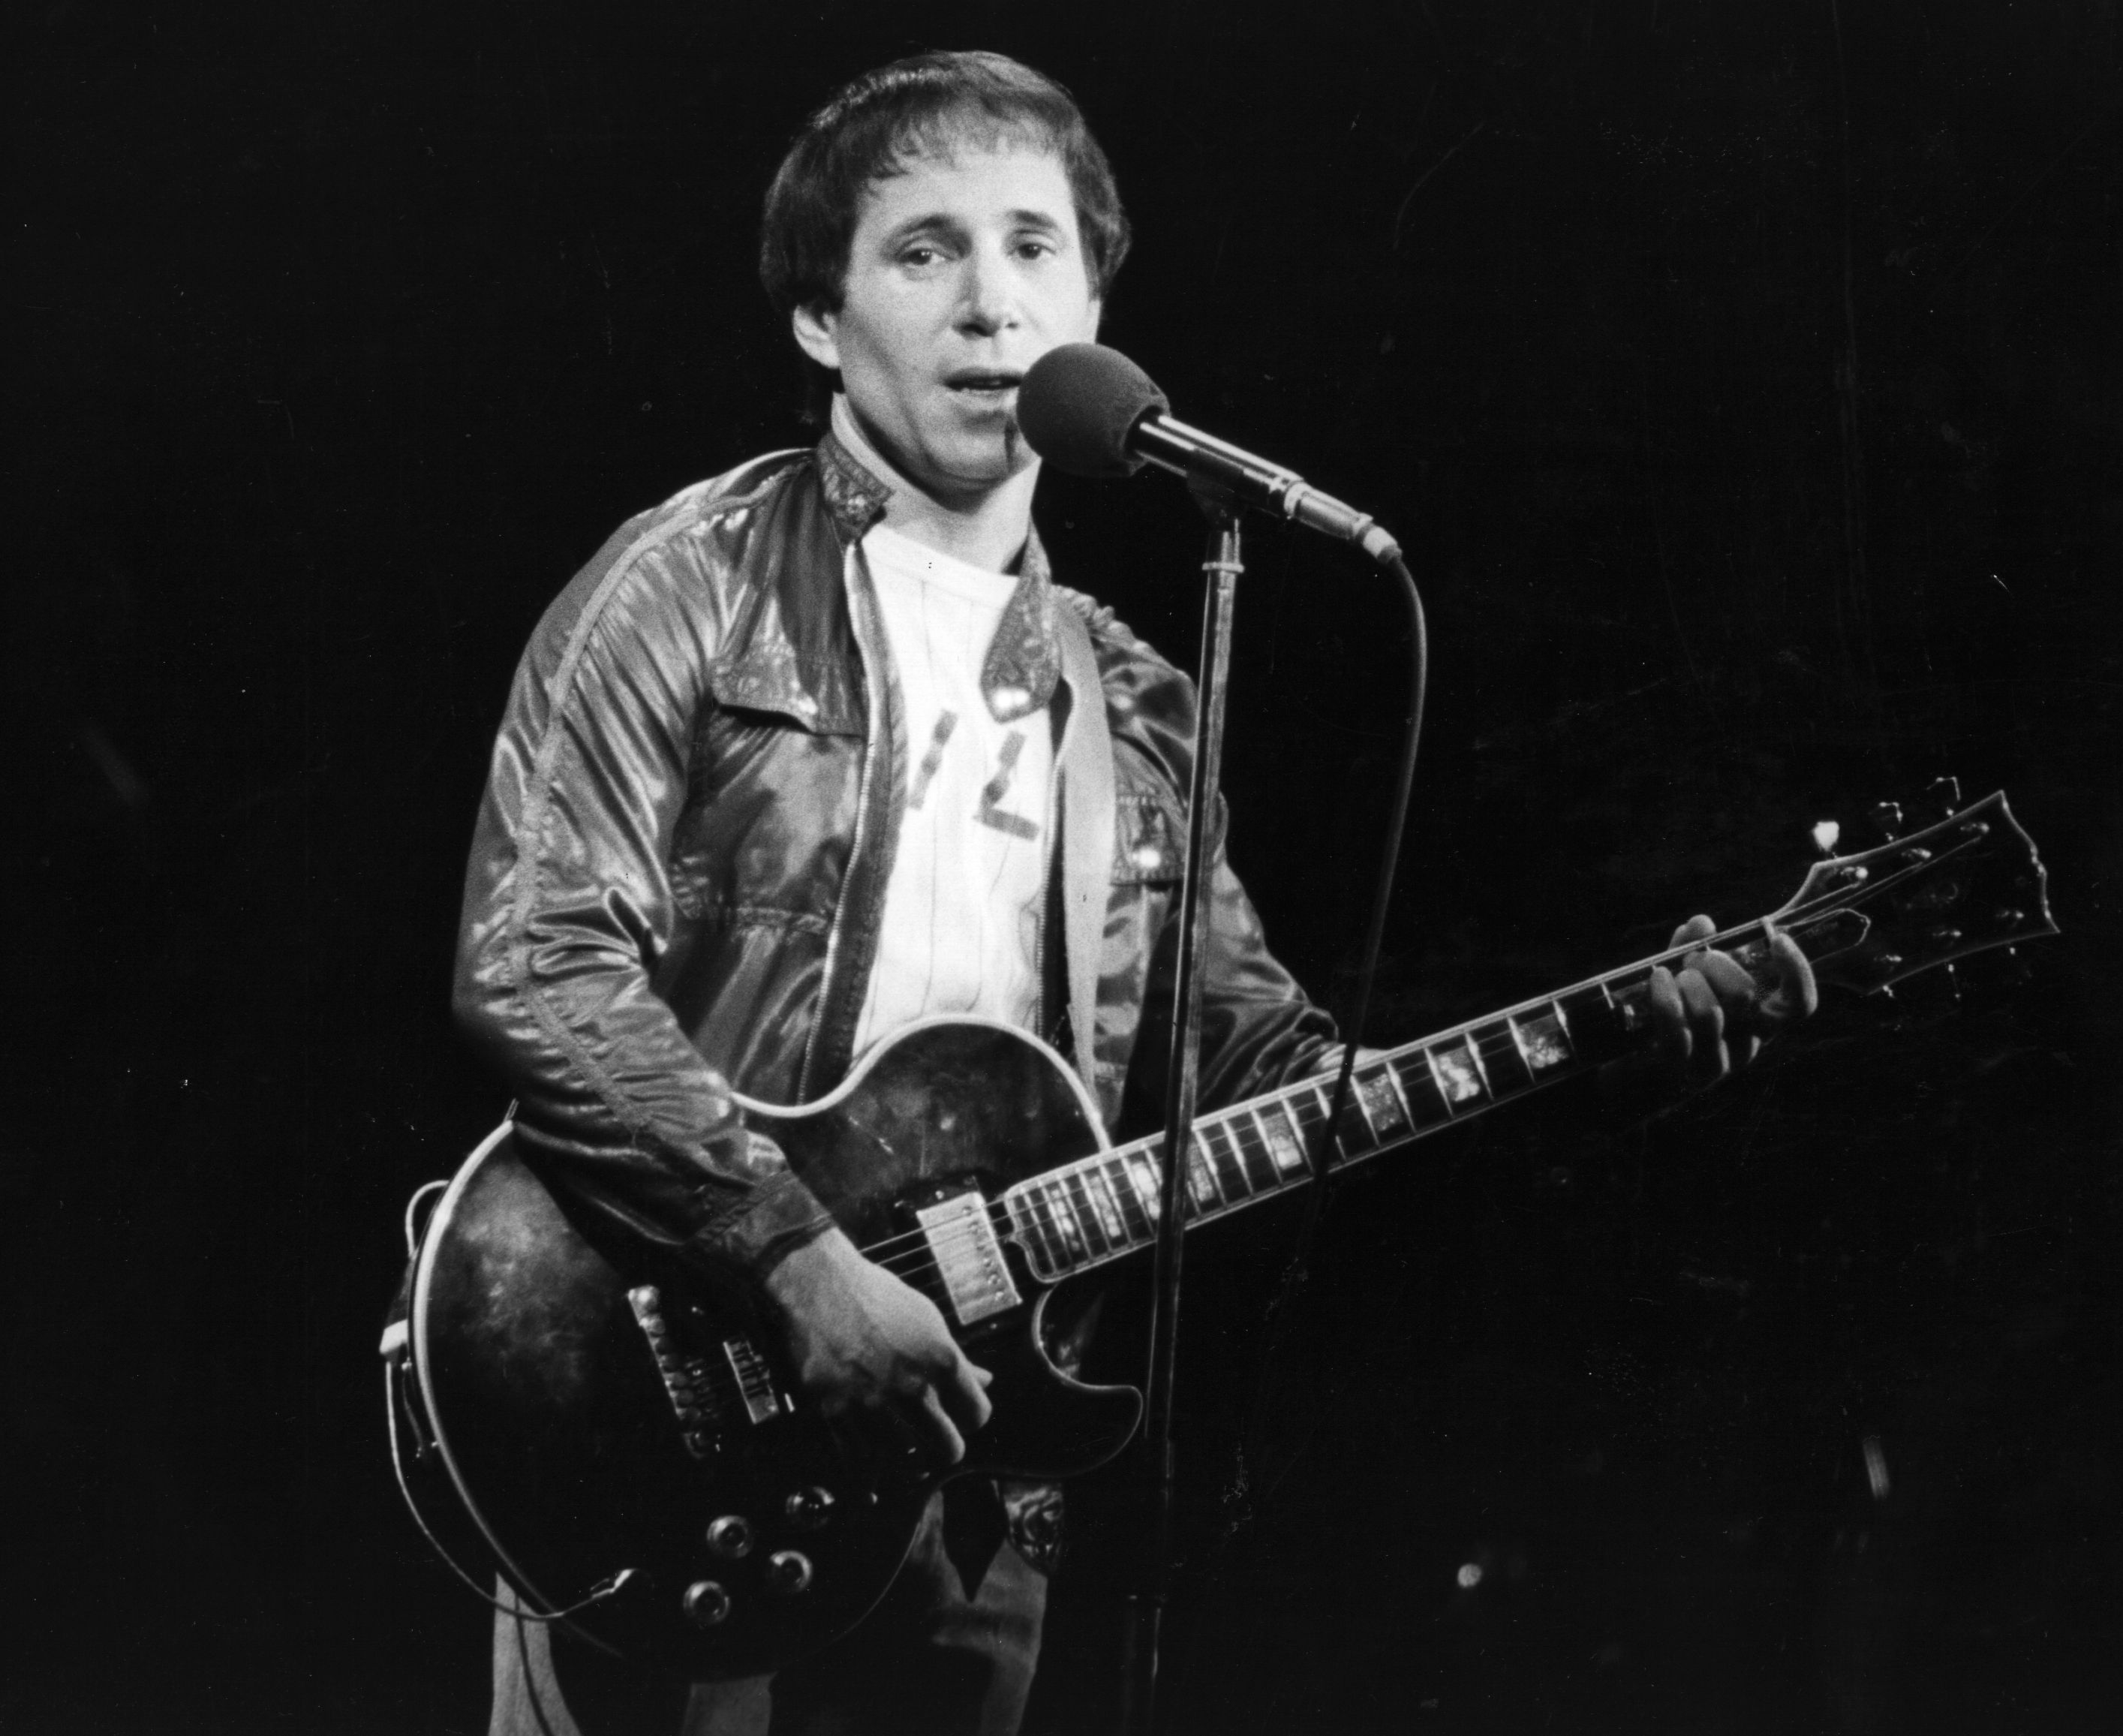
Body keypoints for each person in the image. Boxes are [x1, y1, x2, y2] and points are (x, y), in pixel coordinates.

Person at [451, 50, 1815, 1736]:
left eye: (1033, 248)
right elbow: (536, 959)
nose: (986, 304)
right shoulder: (689, 581)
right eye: (923, 249)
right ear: (821, 320)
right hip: (673, 1409)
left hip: (976, 1470)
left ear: (1091, 303)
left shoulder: (1133, 701)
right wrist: (797, 1265)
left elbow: (1260, 1085)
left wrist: (1600, 1046)